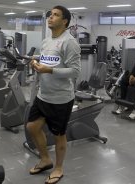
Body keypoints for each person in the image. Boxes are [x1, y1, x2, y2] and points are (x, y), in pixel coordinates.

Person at [26, 5, 81, 184]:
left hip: (60, 99)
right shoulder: (46, 40)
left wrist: (49, 70)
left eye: (55, 15)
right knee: (32, 127)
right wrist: (36, 61)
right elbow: (47, 60)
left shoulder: (69, 42)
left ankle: (58, 168)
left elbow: (74, 71)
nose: (50, 17)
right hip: (43, 95)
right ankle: (45, 159)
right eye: (50, 14)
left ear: (64, 21)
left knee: (59, 135)